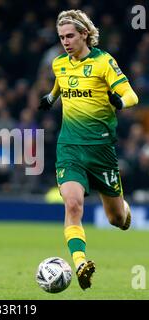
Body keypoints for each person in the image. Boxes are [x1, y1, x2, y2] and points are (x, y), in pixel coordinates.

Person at [38, 10, 138, 290]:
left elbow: (132, 95)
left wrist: (119, 102)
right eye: (61, 37)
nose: (65, 42)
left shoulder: (103, 62)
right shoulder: (59, 64)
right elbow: (60, 83)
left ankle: (124, 208)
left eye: (70, 36)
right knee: (72, 203)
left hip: (101, 150)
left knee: (116, 219)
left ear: (84, 34)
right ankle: (81, 262)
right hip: (70, 147)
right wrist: (50, 98)